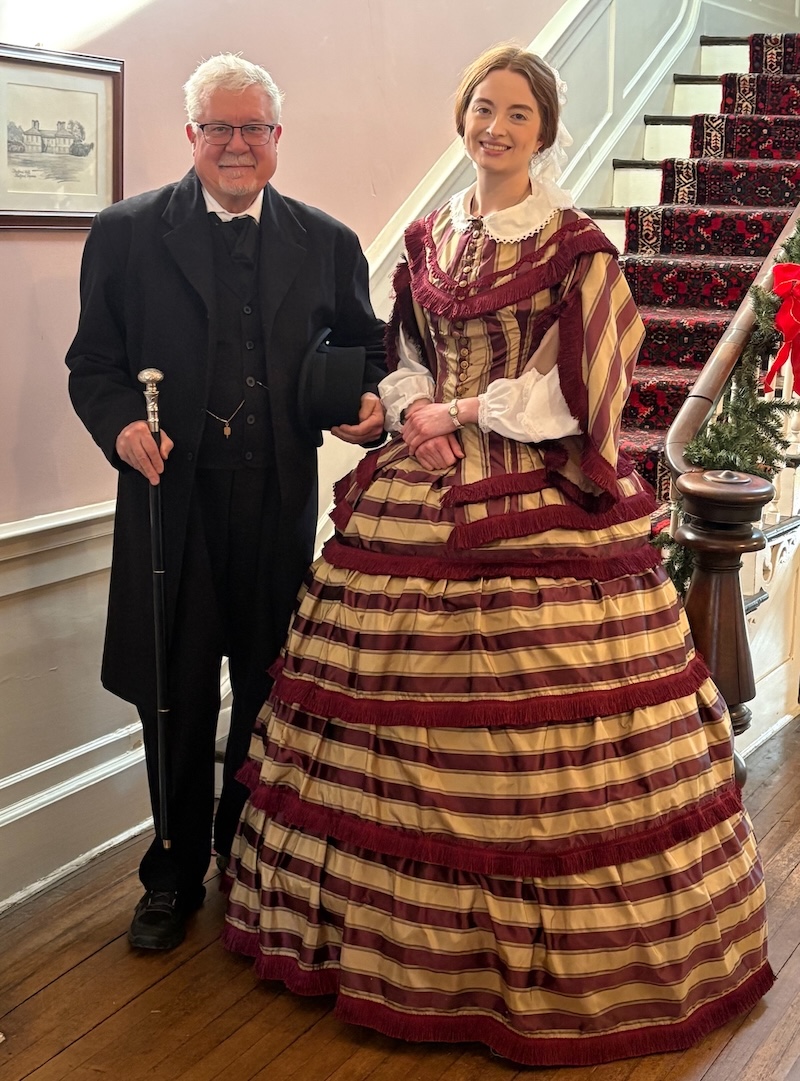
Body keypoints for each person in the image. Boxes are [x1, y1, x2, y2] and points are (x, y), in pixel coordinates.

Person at [222, 45, 773, 1066]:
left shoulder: (576, 248)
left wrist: (458, 409)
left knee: (535, 725)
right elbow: (408, 357)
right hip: (421, 476)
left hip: (532, 481)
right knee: (380, 709)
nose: (496, 127)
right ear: (462, 119)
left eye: (518, 113)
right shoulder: (433, 234)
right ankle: (378, 946)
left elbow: (579, 389)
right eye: (483, 109)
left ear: (545, 129)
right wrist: (409, 407)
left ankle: (522, 967)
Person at [66, 53, 385, 952]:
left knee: (267, 686)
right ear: (191, 137)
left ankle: (245, 855)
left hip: (278, 502)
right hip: (171, 505)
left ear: (277, 139)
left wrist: (366, 410)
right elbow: (92, 367)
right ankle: (171, 874)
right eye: (219, 128)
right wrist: (124, 427)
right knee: (171, 690)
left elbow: (365, 355)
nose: (236, 145)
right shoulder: (125, 235)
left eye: (253, 129)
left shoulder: (327, 242)